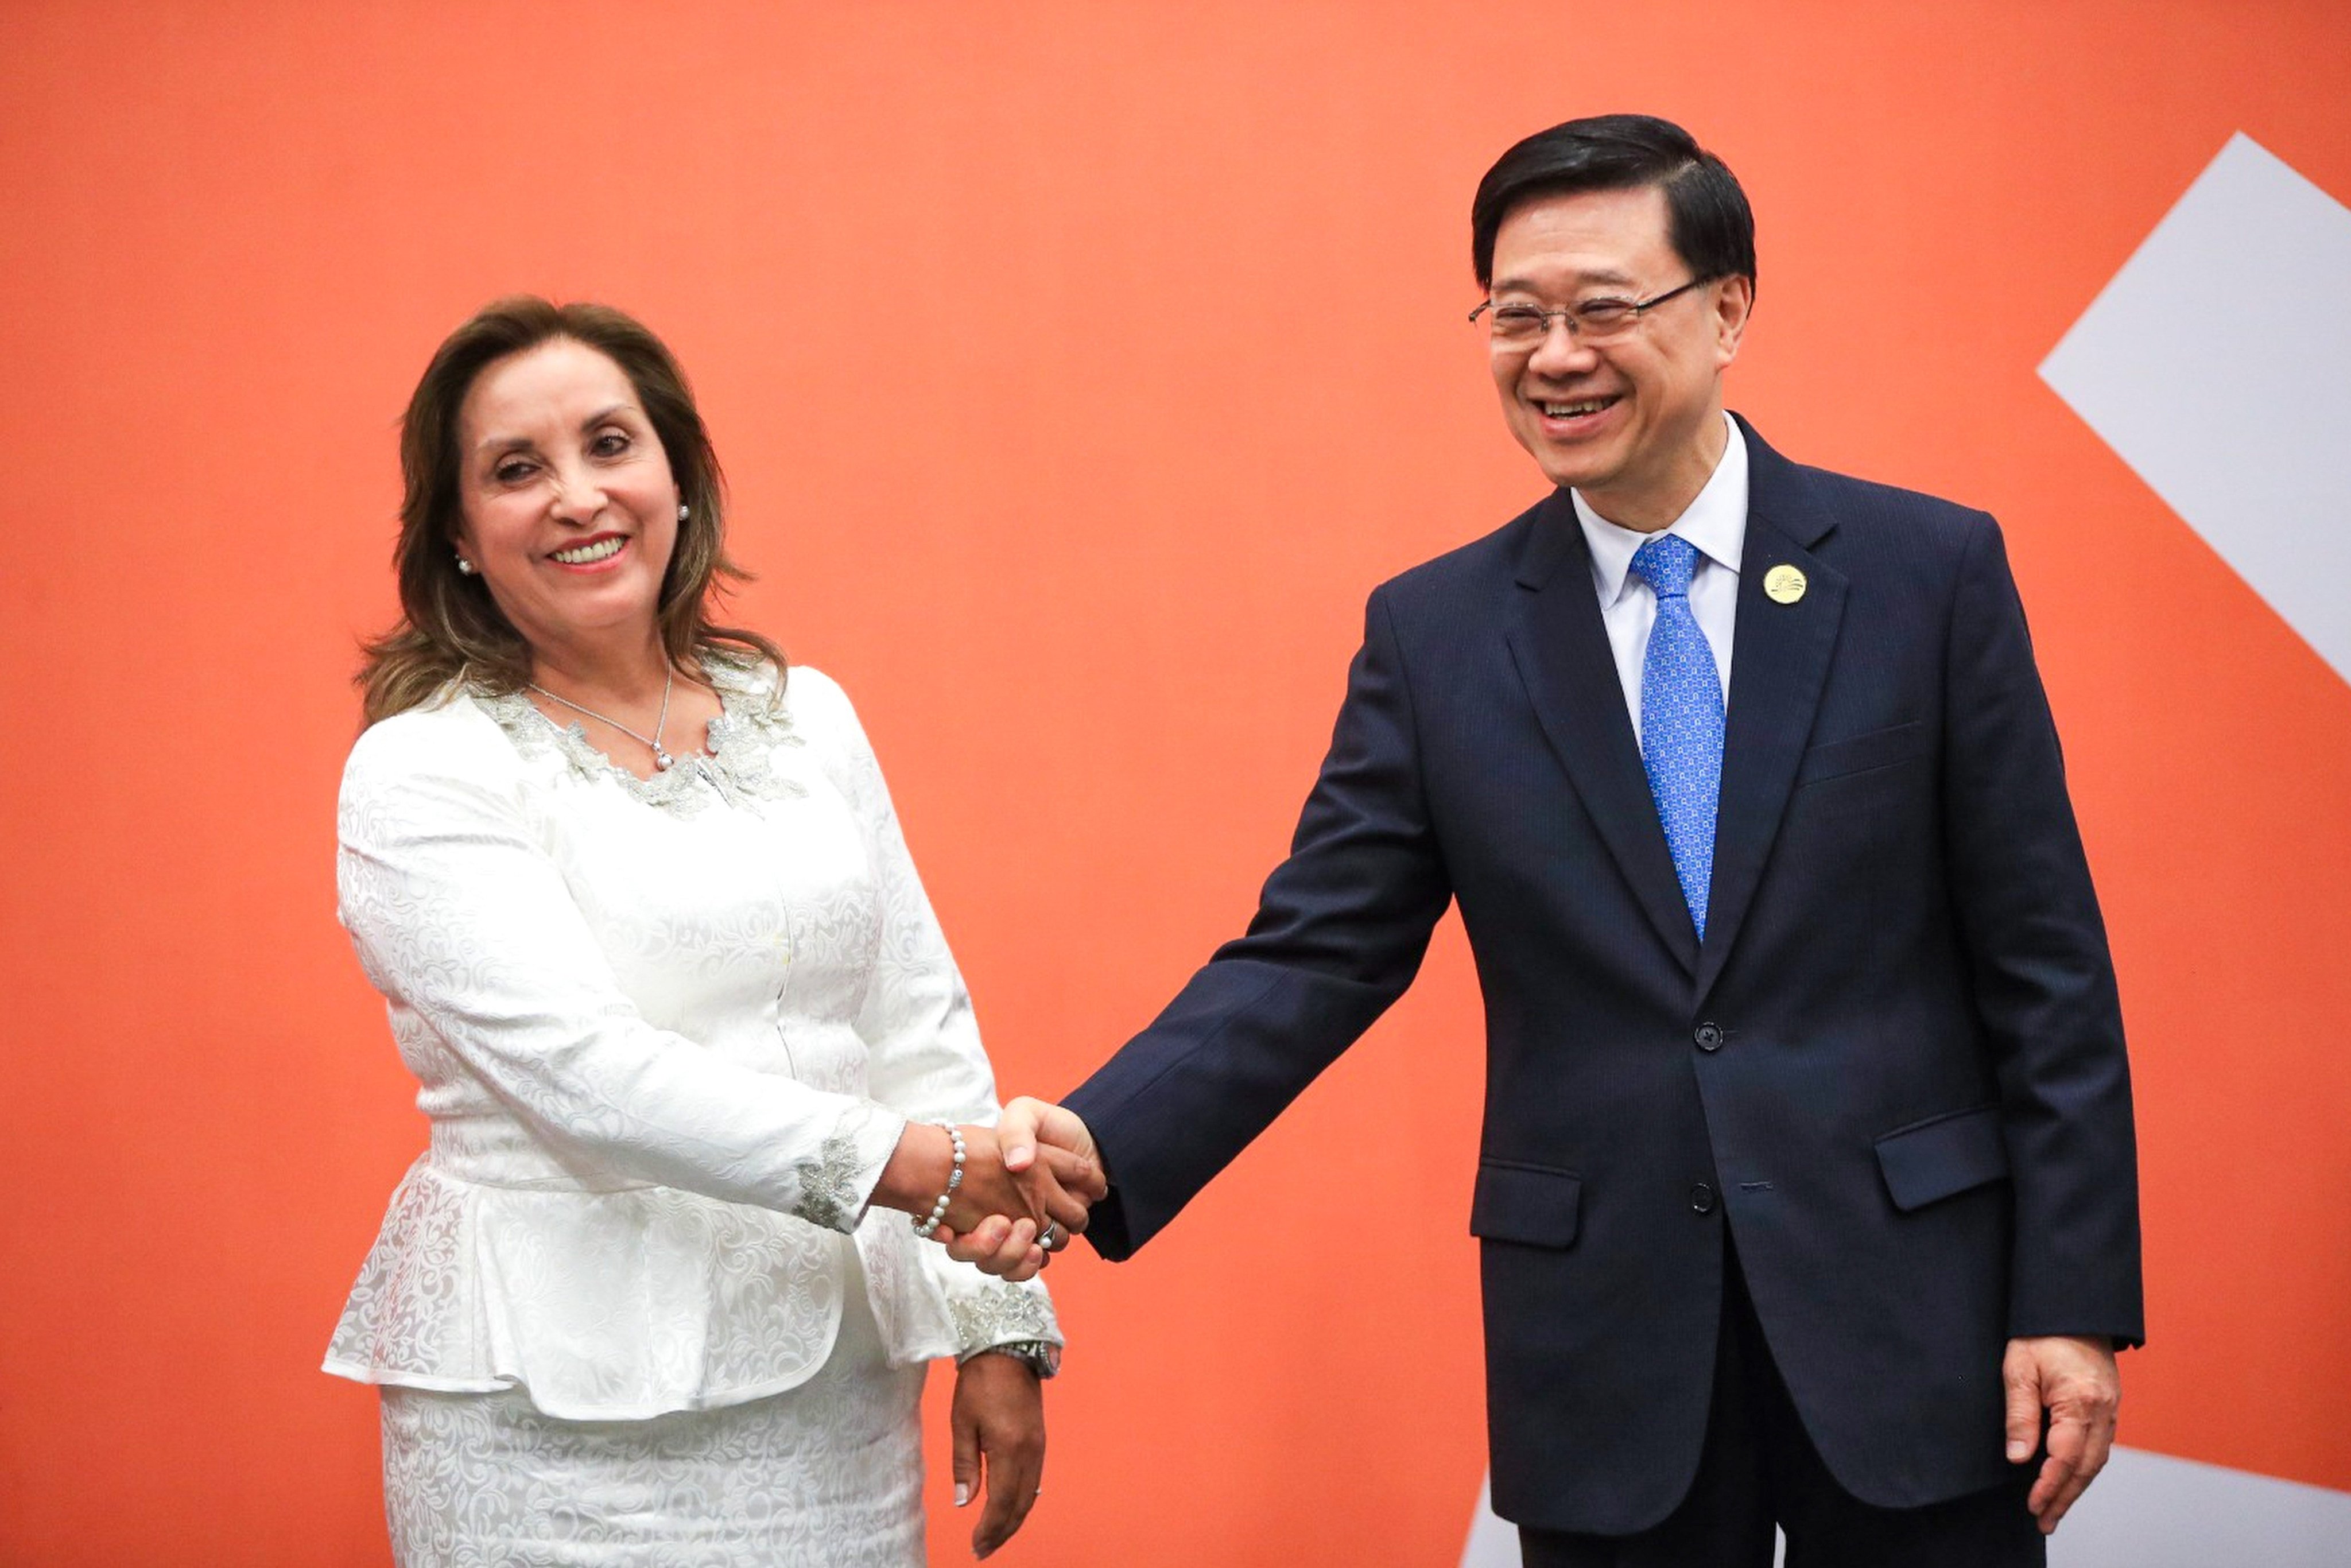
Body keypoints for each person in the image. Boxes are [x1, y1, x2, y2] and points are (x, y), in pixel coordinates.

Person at [966, 115, 2143, 1565]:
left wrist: (2069, 1296)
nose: (1554, 355)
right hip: (1607, 1346)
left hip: (1912, 1315)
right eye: (1512, 318)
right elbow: (1316, 953)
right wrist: (1098, 1137)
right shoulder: (1439, 632)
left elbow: (2045, 969)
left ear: (1726, 310)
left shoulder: (1923, 574)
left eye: (1602, 309)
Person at [324, 296, 1098, 1566]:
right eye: (517, 470)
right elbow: (584, 1078)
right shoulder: (420, 771)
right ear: (458, 534)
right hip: (559, 1427)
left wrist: (997, 1317)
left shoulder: (806, 715)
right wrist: (924, 1167)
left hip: (835, 1408)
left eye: (610, 444)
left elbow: (915, 1019)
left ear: (678, 478)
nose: (578, 495)